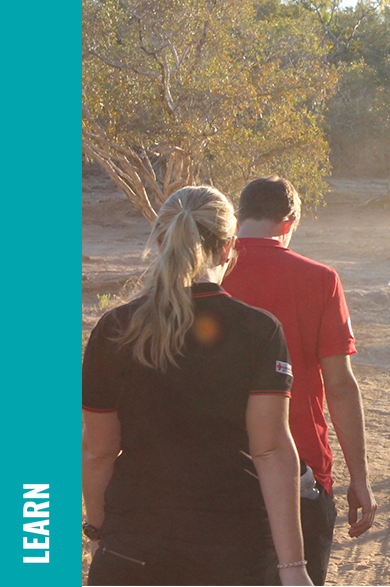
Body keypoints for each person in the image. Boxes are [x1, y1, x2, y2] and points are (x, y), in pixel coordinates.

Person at [82, 186, 311, 586]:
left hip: (133, 549)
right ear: (229, 248)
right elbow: (271, 449)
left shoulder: (114, 328)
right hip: (233, 550)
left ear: (159, 242)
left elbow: (98, 452)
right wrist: (293, 568)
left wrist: (103, 535)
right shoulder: (259, 330)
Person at [222, 176, 377, 585]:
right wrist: (358, 477)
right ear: (289, 223)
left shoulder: (205, 275)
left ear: (238, 217)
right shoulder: (321, 279)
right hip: (300, 471)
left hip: (213, 468)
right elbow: (340, 386)